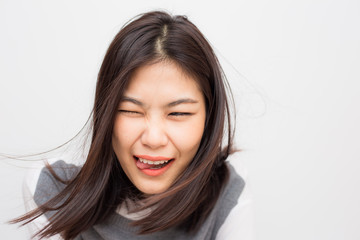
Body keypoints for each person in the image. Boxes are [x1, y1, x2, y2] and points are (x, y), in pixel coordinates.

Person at [12, 10, 254, 239]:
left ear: (208, 118)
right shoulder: (53, 191)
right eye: (130, 111)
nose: (153, 138)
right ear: (106, 113)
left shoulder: (227, 191)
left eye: (178, 113)